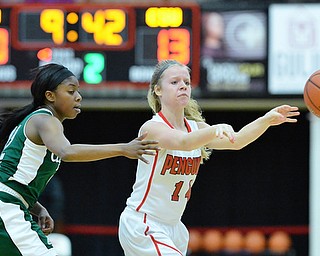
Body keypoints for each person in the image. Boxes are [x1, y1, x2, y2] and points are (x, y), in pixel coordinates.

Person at [118, 59, 300, 256]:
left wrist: (266, 120)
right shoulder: (152, 128)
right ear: (158, 90)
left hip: (173, 227)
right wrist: (214, 130)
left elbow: (237, 141)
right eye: (175, 82)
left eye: (186, 82)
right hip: (144, 222)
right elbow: (183, 142)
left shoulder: (195, 128)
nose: (183, 86)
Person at [0, 63, 159, 256]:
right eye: (71, 91)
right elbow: (67, 152)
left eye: (78, 91)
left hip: (11, 202)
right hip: (6, 205)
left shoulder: (41, 121)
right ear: (50, 96)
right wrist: (123, 148)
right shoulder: (45, 119)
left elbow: (13, 180)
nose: (78, 97)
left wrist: (38, 209)